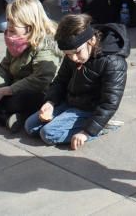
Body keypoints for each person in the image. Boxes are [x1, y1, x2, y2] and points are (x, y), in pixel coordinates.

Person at [25, 13, 128, 150]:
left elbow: (109, 103)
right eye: (68, 54)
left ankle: (103, 126)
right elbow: (60, 80)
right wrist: (50, 102)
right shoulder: (74, 54)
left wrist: (87, 132)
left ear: (91, 40)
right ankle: (71, 121)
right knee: (30, 126)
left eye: (77, 52)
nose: (73, 58)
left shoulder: (113, 63)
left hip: (90, 109)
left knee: (48, 134)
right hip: (70, 102)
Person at [0, 0, 62, 132]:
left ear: (29, 27)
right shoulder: (16, 39)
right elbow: (4, 66)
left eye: (13, 25)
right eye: (8, 22)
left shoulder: (47, 45)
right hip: (12, 86)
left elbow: (41, 80)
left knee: (21, 100)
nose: (8, 28)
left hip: (35, 92)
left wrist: (4, 91)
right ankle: (0, 111)